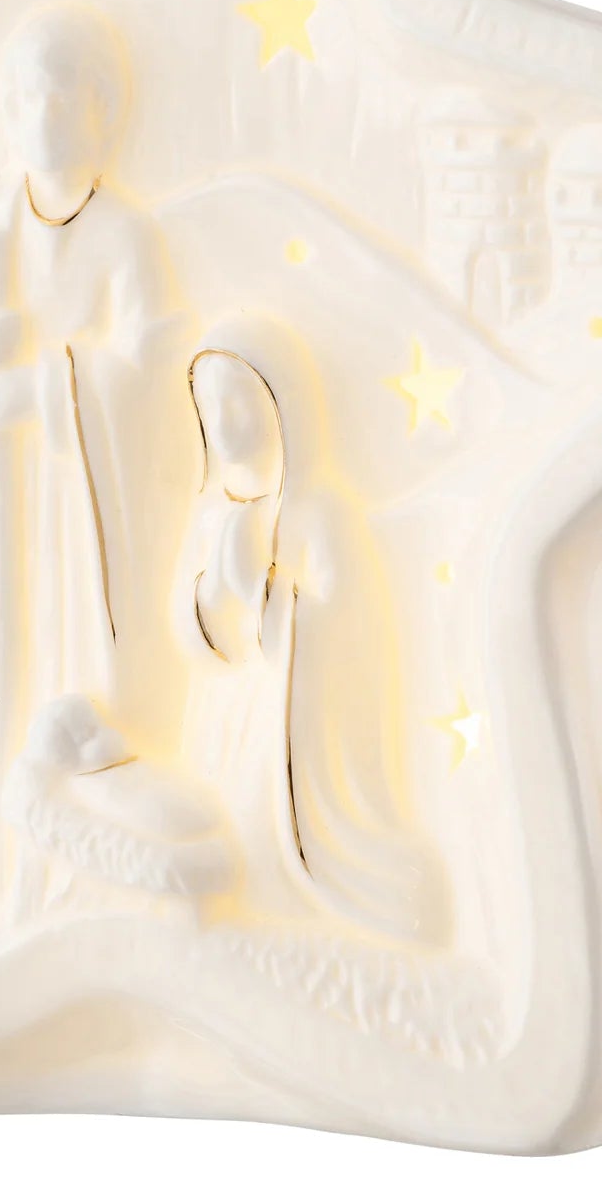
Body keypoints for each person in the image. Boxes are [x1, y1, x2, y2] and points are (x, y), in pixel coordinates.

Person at [0, 5, 179, 908]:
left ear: (102, 108)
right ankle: (0, 871)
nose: (41, 114)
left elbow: (152, 364)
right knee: (4, 659)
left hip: (84, 507)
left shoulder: (125, 235)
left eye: (61, 95)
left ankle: (87, 870)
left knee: (76, 668)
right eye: (24, 96)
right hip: (0, 505)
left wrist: (50, 390)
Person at [172, 315, 442, 941]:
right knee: (218, 815)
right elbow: (191, 631)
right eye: (212, 407)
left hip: (289, 721)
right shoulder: (211, 512)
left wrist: (270, 594)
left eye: (241, 402)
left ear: (281, 408)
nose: (226, 423)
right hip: (226, 714)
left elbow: (344, 622)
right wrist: (213, 595)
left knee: (258, 817)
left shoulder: (319, 511)